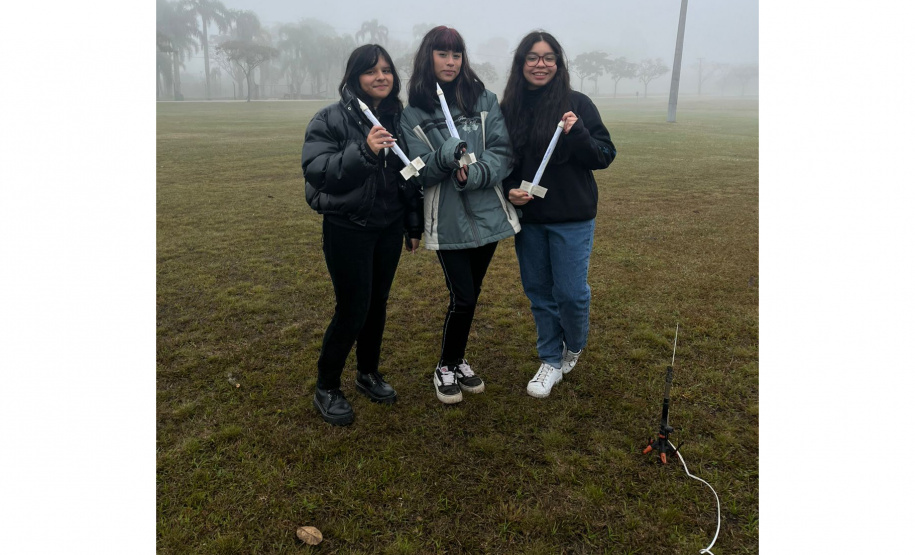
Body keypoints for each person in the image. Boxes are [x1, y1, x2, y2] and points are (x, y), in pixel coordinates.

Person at [301, 44, 423, 425]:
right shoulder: (331, 119)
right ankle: (327, 385)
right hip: (348, 229)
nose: (381, 77)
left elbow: (409, 177)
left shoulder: (400, 119)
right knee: (353, 308)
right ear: (355, 77)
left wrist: (412, 223)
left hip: (388, 228)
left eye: (387, 70)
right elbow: (318, 171)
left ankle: (367, 373)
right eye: (371, 71)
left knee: (377, 304)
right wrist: (365, 151)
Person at [400, 26, 519, 404]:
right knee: (463, 297)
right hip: (446, 219)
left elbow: (501, 150)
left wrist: (478, 172)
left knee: (470, 294)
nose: (450, 62)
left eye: (456, 55)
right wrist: (446, 155)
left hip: (488, 215)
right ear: (428, 58)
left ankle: (458, 358)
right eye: (442, 54)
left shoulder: (484, 99)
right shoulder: (413, 112)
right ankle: (446, 365)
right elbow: (416, 167)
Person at [500, 31, 616, 398]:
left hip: (572, 217)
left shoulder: (576, 103)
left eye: (549, 57)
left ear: (559, 63)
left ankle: (574, 345)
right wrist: (508, 190)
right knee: (539, 293)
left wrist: (577, 131)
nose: (540, 64)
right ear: (521, 64)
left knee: (571, 292)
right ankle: (550, 359)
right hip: (530, 219)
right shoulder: (510, 107)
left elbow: (604, 155)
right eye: (532, 57)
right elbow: (502, 160)